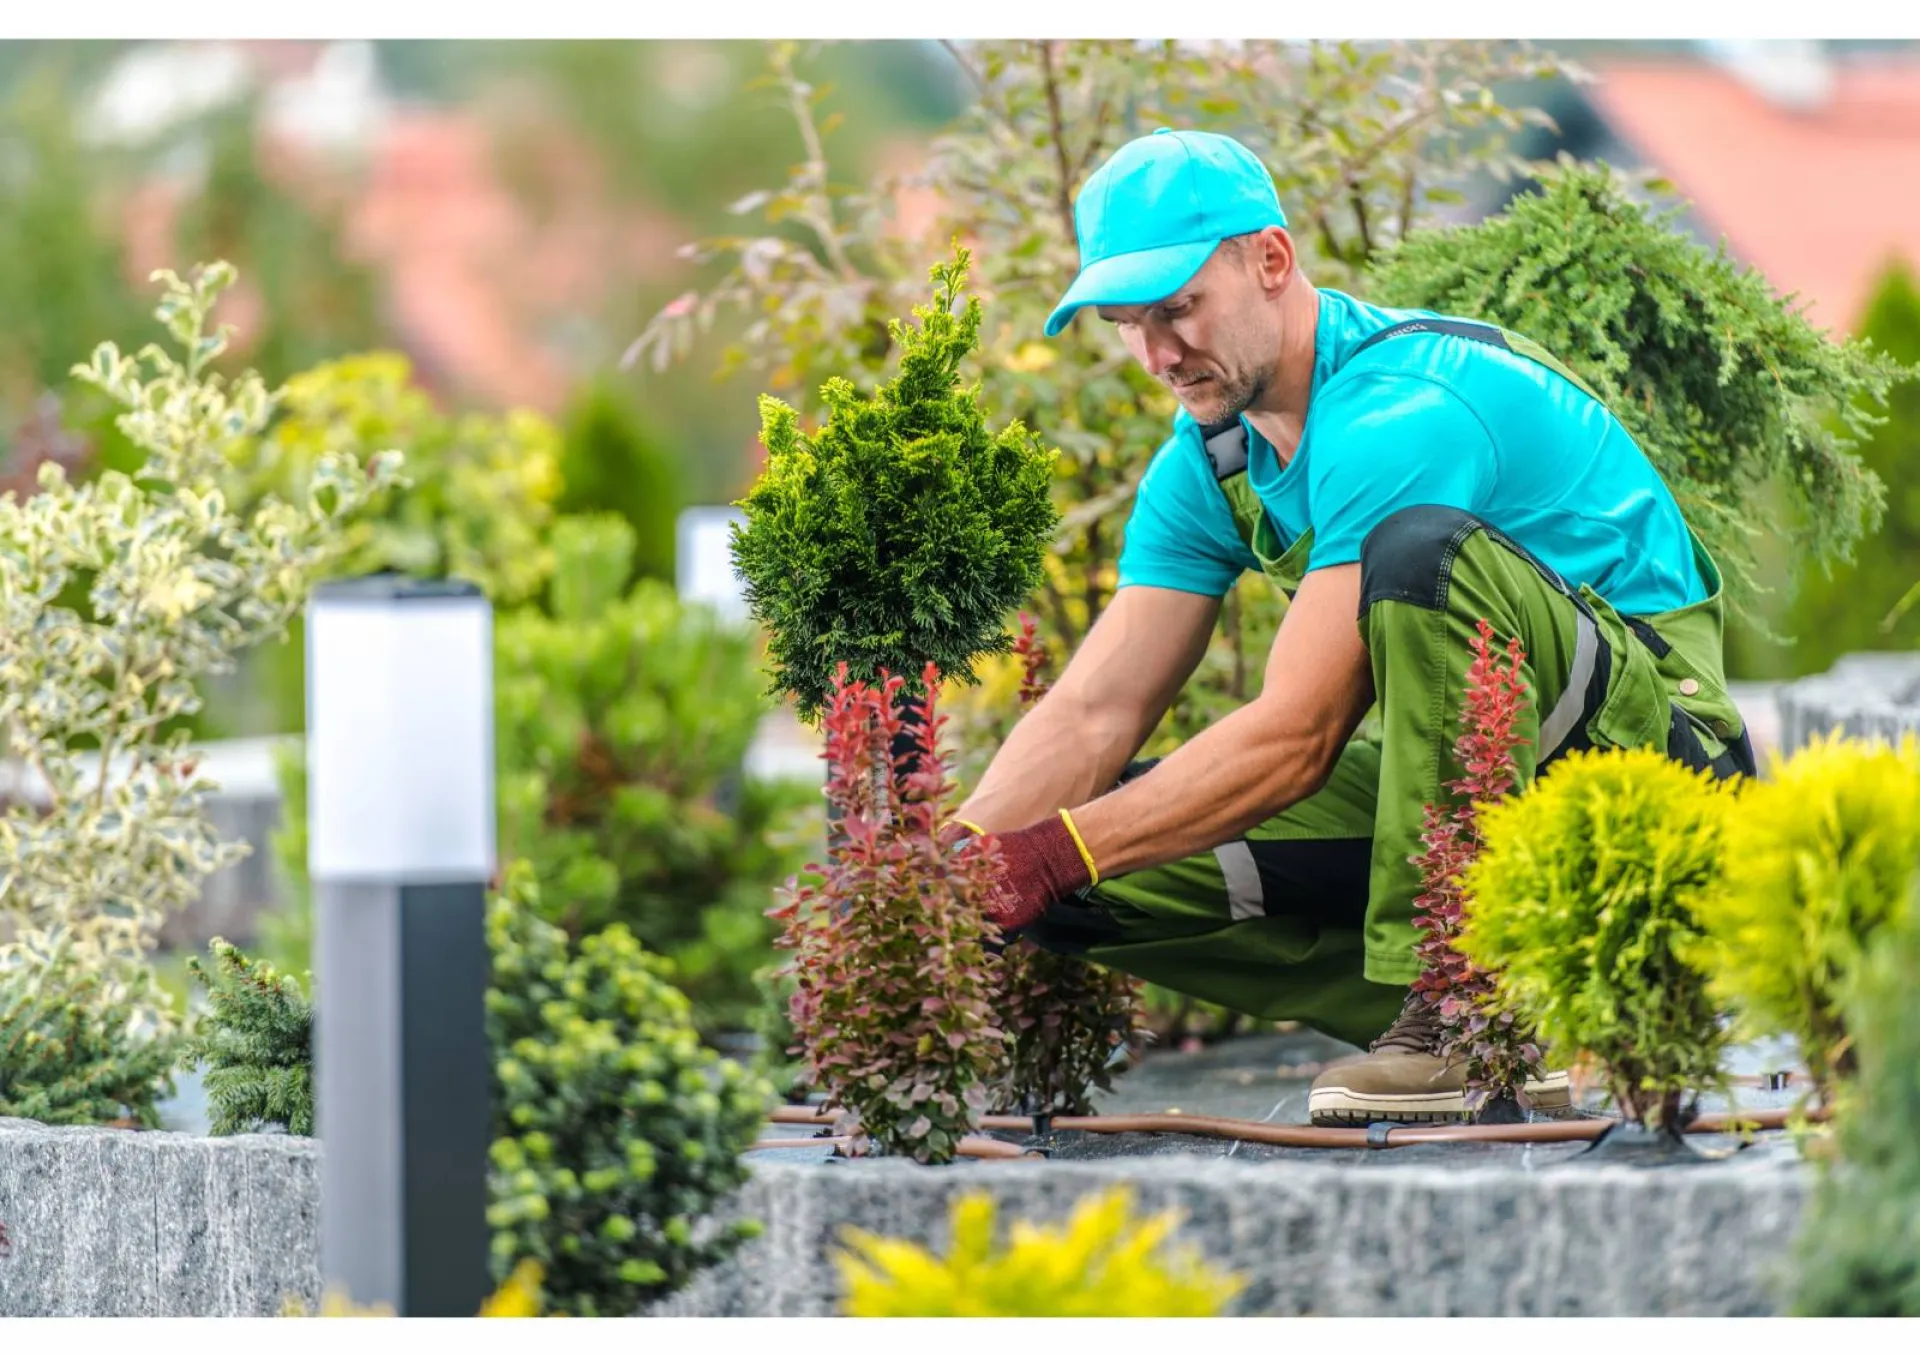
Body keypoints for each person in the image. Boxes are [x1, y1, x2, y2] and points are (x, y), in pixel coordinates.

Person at [952, 127, 1754, 1126]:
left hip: (1661, 773)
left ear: (1272, 261)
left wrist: (1059, 847)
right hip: (1479, 789)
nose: (1158, 353)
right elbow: (1092, 713)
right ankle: (1531, 1022)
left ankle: (1461, 1018)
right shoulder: (1211, 465)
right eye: (1127, 322)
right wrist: (950, 873)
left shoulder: (1403, 409)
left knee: (1420, 552)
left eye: (1179, 309)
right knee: (1070, 879)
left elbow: (1298, 736)